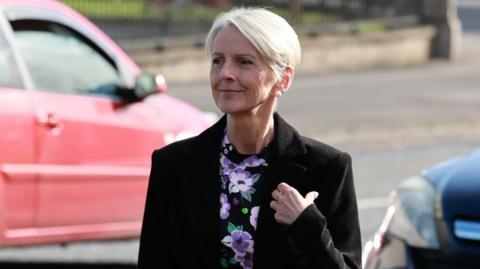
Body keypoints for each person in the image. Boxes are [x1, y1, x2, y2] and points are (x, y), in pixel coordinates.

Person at [138, 7, 361, 269]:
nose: (225, 74)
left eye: (244, 62)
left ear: (283, 79)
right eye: (218, 60)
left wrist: (307, 223)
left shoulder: (327, 168)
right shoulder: (173, 164)